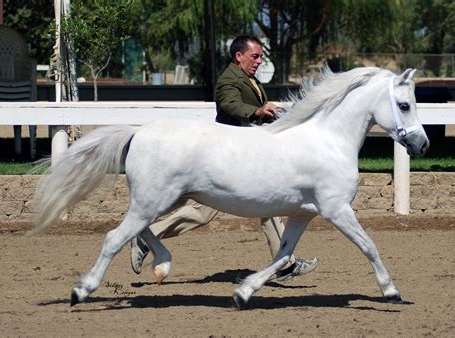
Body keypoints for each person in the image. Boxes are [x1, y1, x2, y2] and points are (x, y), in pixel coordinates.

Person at [130, 35, 318, 282]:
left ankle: (284, 264)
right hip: (226, 158)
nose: (259, 61)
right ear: (239, 56)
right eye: (255, 56)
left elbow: (250, 112)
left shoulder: (249, 79)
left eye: (261, 56)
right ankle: (148, 235)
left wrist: (270, 114)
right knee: (204, 213)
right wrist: (257, 111)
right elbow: (230, 105)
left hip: (245, 155)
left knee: (261, 206)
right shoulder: (229, 80)